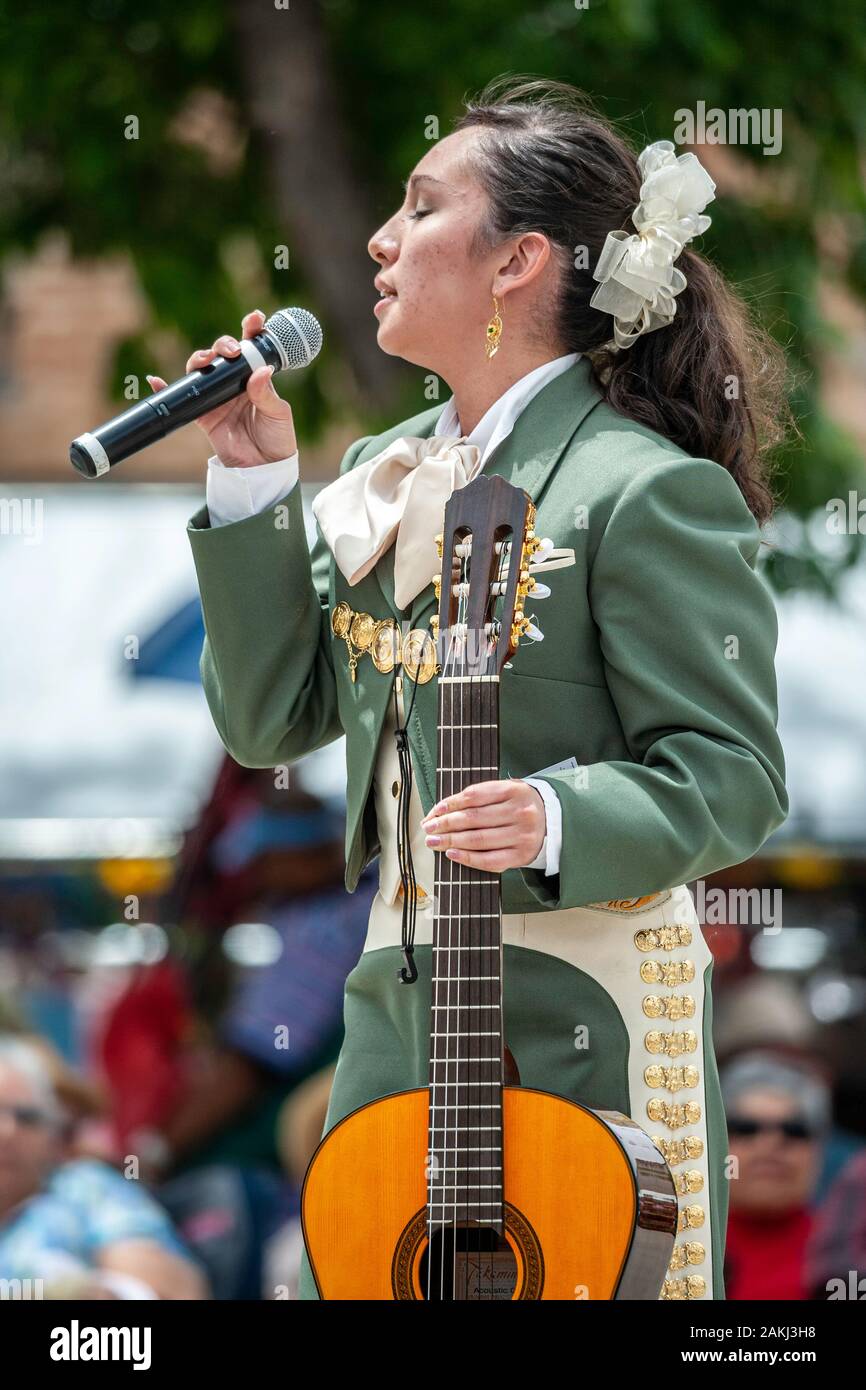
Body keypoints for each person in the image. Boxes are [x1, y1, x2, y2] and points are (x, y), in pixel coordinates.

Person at [157, 78, 790, 1300]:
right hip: (398, 1021)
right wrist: (250, 490)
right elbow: (266, 719)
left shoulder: (636, 487)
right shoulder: (382, 476)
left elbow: (736, 775)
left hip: (585, 1013)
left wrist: (554, 816)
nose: (378, 240)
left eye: (418, 207)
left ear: (518, 262)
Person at [0, 1039, 207, 1298]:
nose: (7, 1131)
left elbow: (170, 1291)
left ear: (53, 1133)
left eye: (26, 1117)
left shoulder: (87, 1189)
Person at [721, 1052, 830, 1301]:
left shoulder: (847, 1254)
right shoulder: (677, 1245)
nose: (770, 1143)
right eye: (746, 1128)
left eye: (794, 1130)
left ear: (819, 1151)